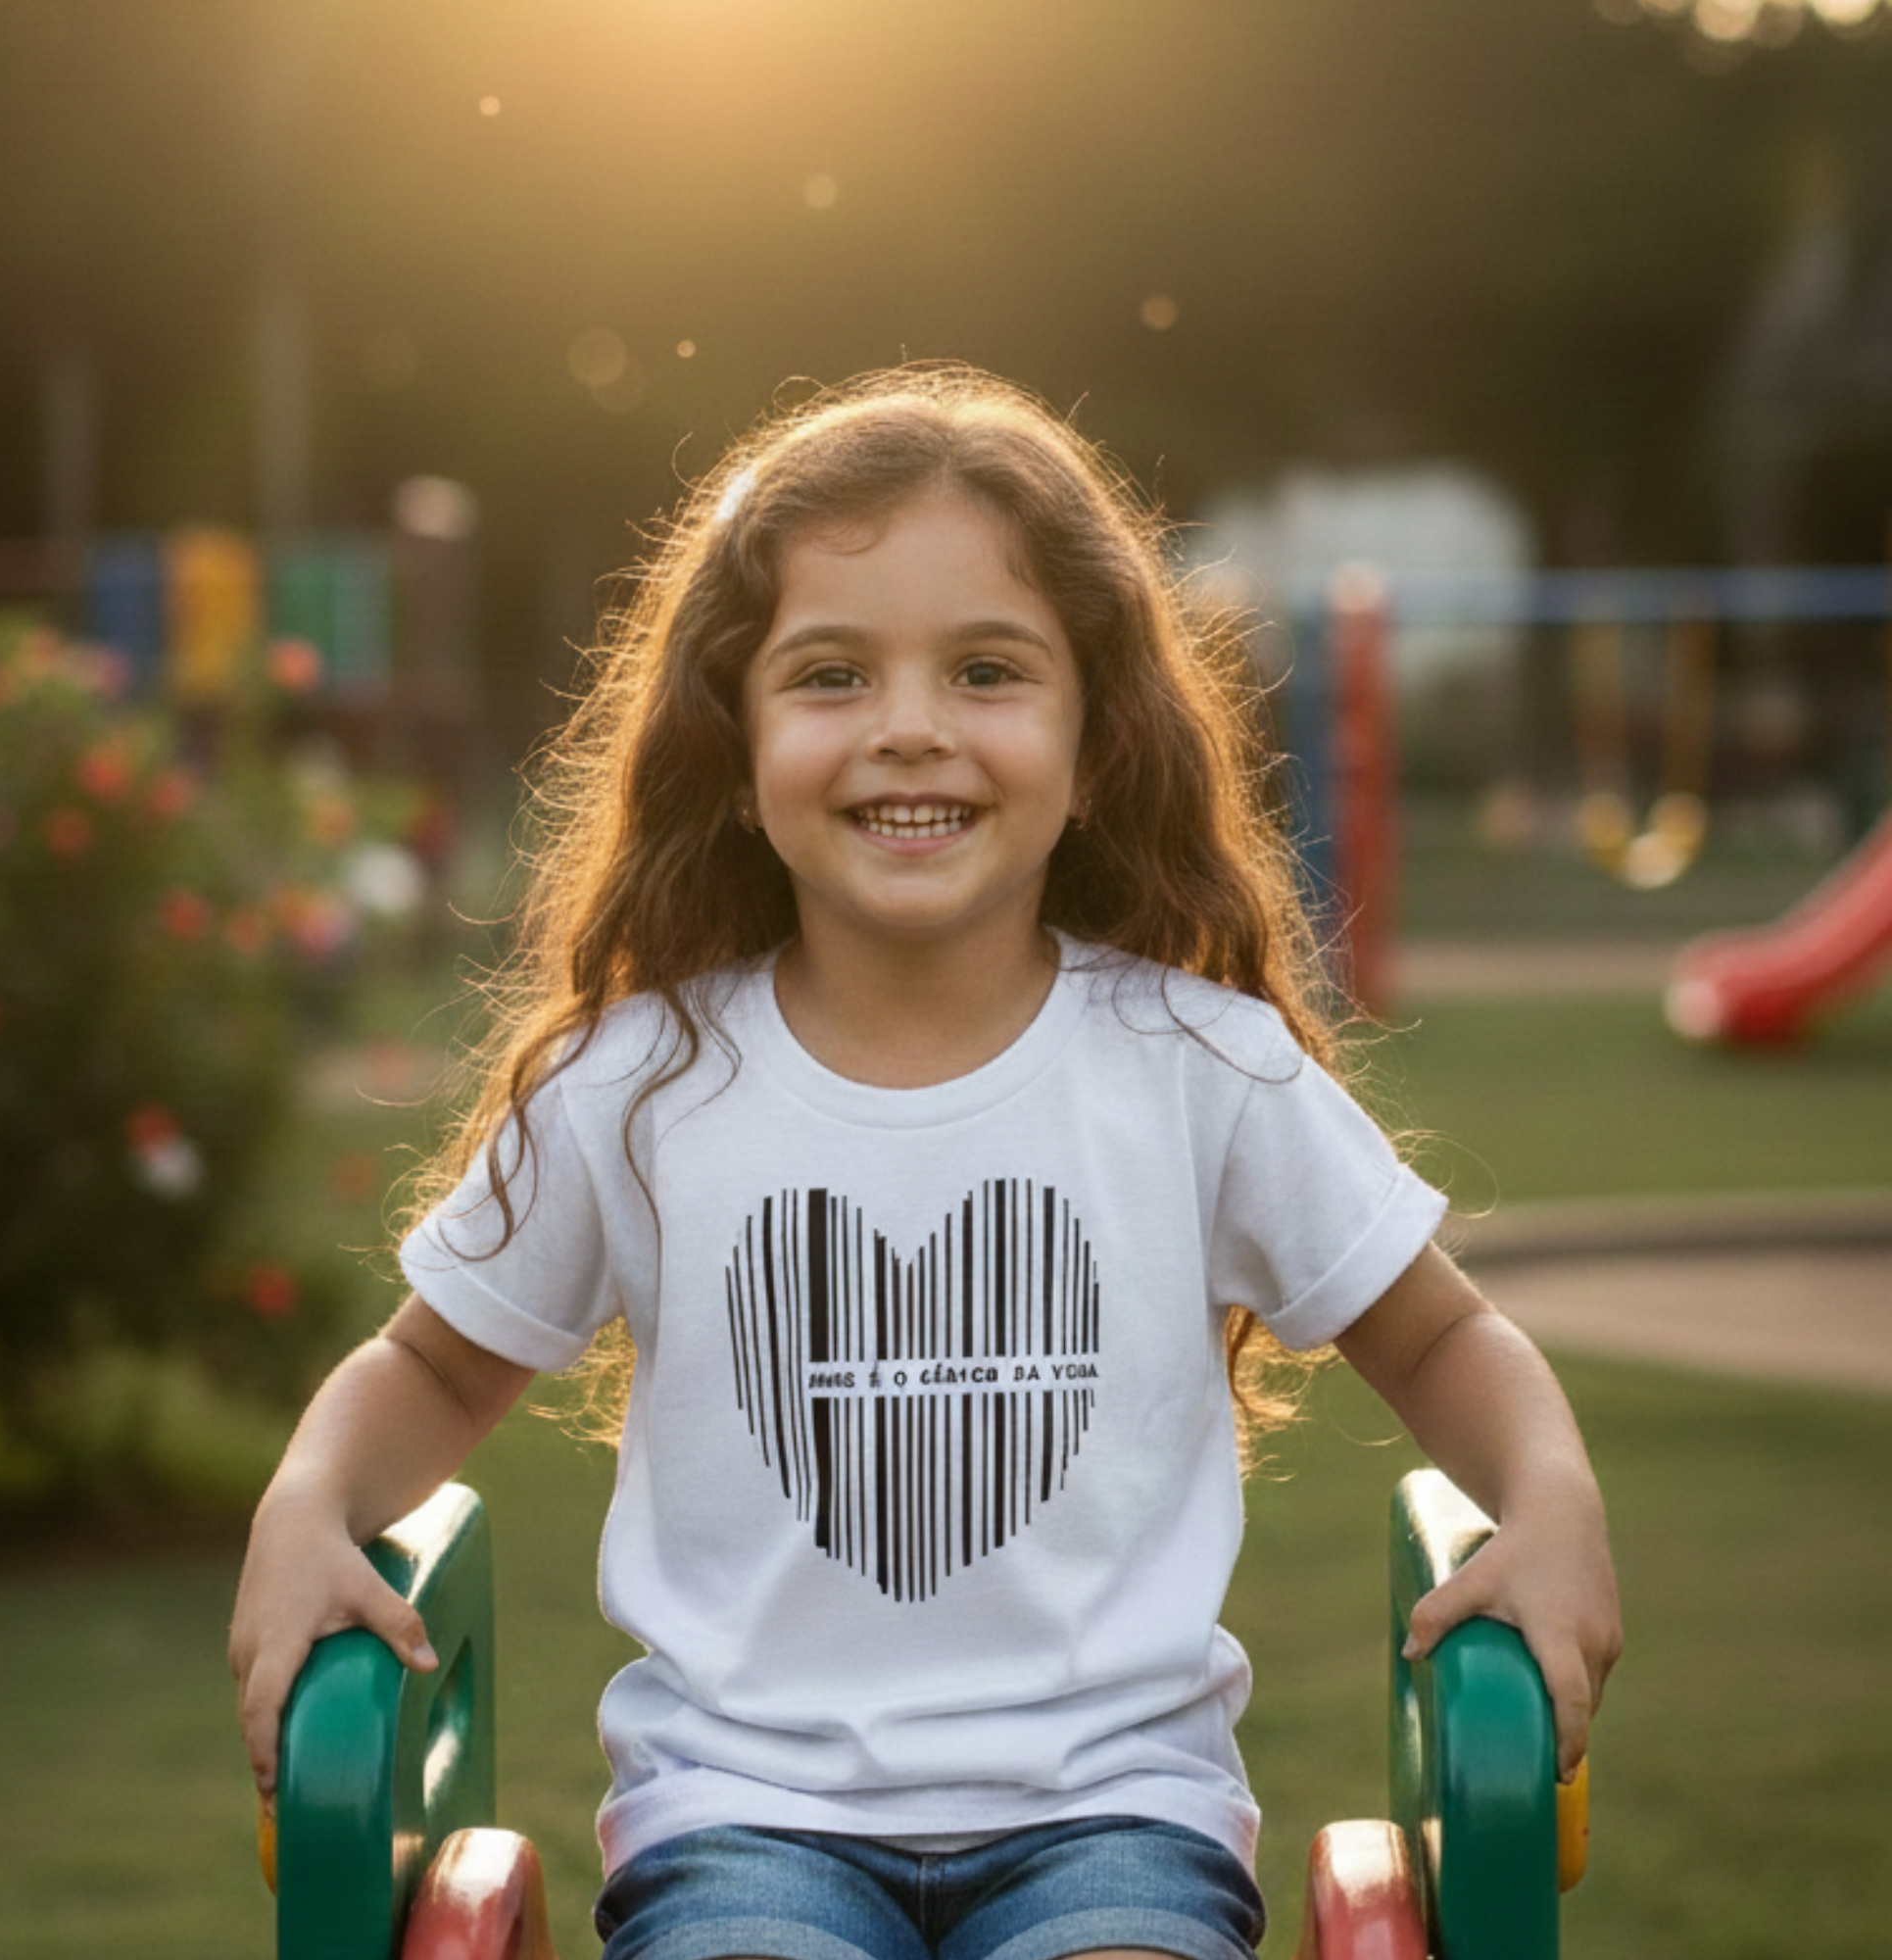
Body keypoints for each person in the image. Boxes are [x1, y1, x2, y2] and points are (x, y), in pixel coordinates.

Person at [230, 365, 1620, 1960]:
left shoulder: (1195, 1066)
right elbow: (431, 1365)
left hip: (1116, 1815)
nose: (909, 731)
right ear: (732, 747)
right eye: (829, 675)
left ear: (1096, 738)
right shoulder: (640, 1082)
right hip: (744, 1821)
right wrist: (311, 1497)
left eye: (985, 671)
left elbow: (1439, 1331)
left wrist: (1553, 1492)